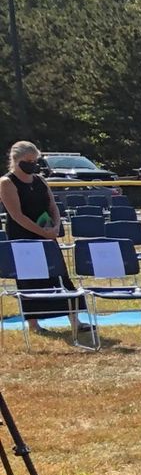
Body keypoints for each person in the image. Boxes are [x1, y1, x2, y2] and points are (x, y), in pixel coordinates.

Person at [0, 140, 81, 338]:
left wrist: (54, 226)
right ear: (16, 160)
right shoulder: (7, 182)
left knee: (60, 276)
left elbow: (52, 206)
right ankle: (34, 324)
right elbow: (17, 215)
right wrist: (41, 232)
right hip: (23, 237)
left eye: (35, 160)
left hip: (47, 236)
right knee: (28, 279)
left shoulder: (40, 180)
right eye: (28, 161)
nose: (32, 164)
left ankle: (76, 321)